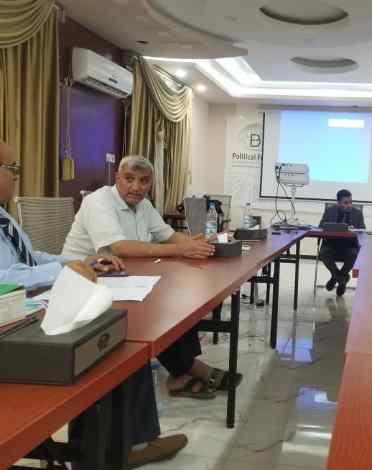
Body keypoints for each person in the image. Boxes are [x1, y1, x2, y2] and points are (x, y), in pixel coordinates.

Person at [0, 141, 187, 468]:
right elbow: (5, 277)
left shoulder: (3, 217)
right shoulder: (99, 202)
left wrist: (77, 262)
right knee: (108, 348)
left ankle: (128, 443)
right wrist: (63, 270)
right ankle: (111, 450)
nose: (16, 176)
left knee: (119, 339)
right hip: (13, 322)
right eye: (11, 168)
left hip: (36, 304)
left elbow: (31, 259)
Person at [63, 155, 241, 399]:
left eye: (144, 181)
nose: (136, 187)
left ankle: (184, 370)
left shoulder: (144, 205)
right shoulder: (99, 201)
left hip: (123, 277)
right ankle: (187, 370)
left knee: (173, 297)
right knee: (158, 304)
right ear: (117, 178)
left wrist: (198, 244)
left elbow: (169, 235)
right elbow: (119, 247)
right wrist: (181, 249)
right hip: (86, 281)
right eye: (129, 179)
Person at [319, 189, 365, 297]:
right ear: (338, 203)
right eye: (346, 203)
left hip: (349, 246)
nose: (349, 205)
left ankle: (336, 277)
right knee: (324, 253)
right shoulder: (330, 211)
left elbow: (363, 231)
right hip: (331, 244)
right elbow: (321, 226)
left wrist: (354, 230)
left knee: (354, 254)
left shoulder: (357, 213)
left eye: (351, 202)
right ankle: (342, 279)